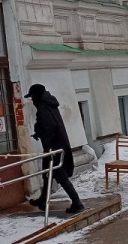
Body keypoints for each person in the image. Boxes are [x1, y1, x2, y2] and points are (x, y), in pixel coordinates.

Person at [26, 84, 84, 214]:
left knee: (61, 176)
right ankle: (43, 199)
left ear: (37, 96)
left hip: (54, 148)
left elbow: (50, 126)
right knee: (48, 173)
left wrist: (48, 144)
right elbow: (47, 124)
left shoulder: (43, 107)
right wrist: (38, 132)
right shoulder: (49, 104)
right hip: (57, 145)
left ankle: (77, 202)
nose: (32, 100)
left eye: (32, 97)